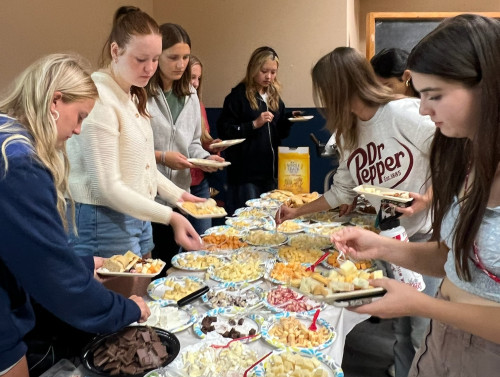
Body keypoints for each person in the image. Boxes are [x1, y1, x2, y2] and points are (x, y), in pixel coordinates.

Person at [332, 14, 500, 376]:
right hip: (443, 342)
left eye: (434, 95)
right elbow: (452, 259)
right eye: (420, 94)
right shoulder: (467, 158)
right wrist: (381, 247)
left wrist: (423, 306)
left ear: (488, 86)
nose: (422, 109)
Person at [276, 47, 439, 377]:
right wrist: (297, 212)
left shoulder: (403, 112)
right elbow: (340, 192)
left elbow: (455, 157)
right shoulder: (350, 133)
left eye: (324, 92)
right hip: (394, 240)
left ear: (338, 88)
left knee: (425, 331)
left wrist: (428, 198)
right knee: (403, 330)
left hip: (429, 238)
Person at [0, 53, 150, 377]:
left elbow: (25, 251)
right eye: (79, 116)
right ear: (55, 101)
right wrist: (127, 309)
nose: (79, 130)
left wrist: (82, 263)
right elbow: (59, 283)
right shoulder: (20, 164)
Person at [66, 8, 203, 264]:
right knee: (121, 300)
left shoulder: (130, 92)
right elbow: (106, 187)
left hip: (137, 210)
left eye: (154, 59)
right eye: (141, 59)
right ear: (115, 51)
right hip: (103, 217)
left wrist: (178, 196)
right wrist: (169, 216)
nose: (150, 68)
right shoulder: (100, 96)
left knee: (141, 295)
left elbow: (143, 167)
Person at [146, 24, 224, 263]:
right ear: (157, 56)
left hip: (181, 194)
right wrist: (162, 156)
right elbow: (133, 149)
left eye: (185, 57)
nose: (181, 64)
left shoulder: (190, 94)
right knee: (155, 264)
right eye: (173, 57)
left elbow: (191, 143)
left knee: (177, 261)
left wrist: (205, 159)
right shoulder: (141, 93)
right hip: (149, 196)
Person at [216, 46, 296, 215]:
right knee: (248, 220)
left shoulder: (274, 97)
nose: (269, 77)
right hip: (245, 176)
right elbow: (225, 131)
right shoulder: (237, 97)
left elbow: (279, 134)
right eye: (264, 71)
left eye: (273, 72)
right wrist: (253, 124)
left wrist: (289, 119)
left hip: (270, 173)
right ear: (253, 69)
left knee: (270, 219)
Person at [188, 55, 227, 231]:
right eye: (192, 77)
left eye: (198, 78)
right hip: (178, 184)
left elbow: (200, 141)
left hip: (199, 181)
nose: (195, 83)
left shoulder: (198, 104)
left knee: (203, 236)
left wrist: (212, 146)